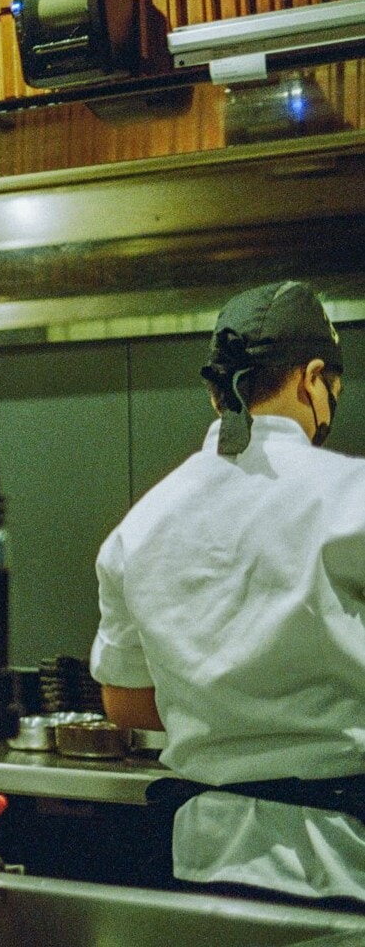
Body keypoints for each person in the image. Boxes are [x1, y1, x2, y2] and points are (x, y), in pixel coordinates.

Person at [90, 280, 364, 906]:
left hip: (204, 860)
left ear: (216, 392)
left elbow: (125, 703)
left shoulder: (141, 525)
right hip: (343, 860)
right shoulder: (352, 496)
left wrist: (228, 704)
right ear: (311, 377)